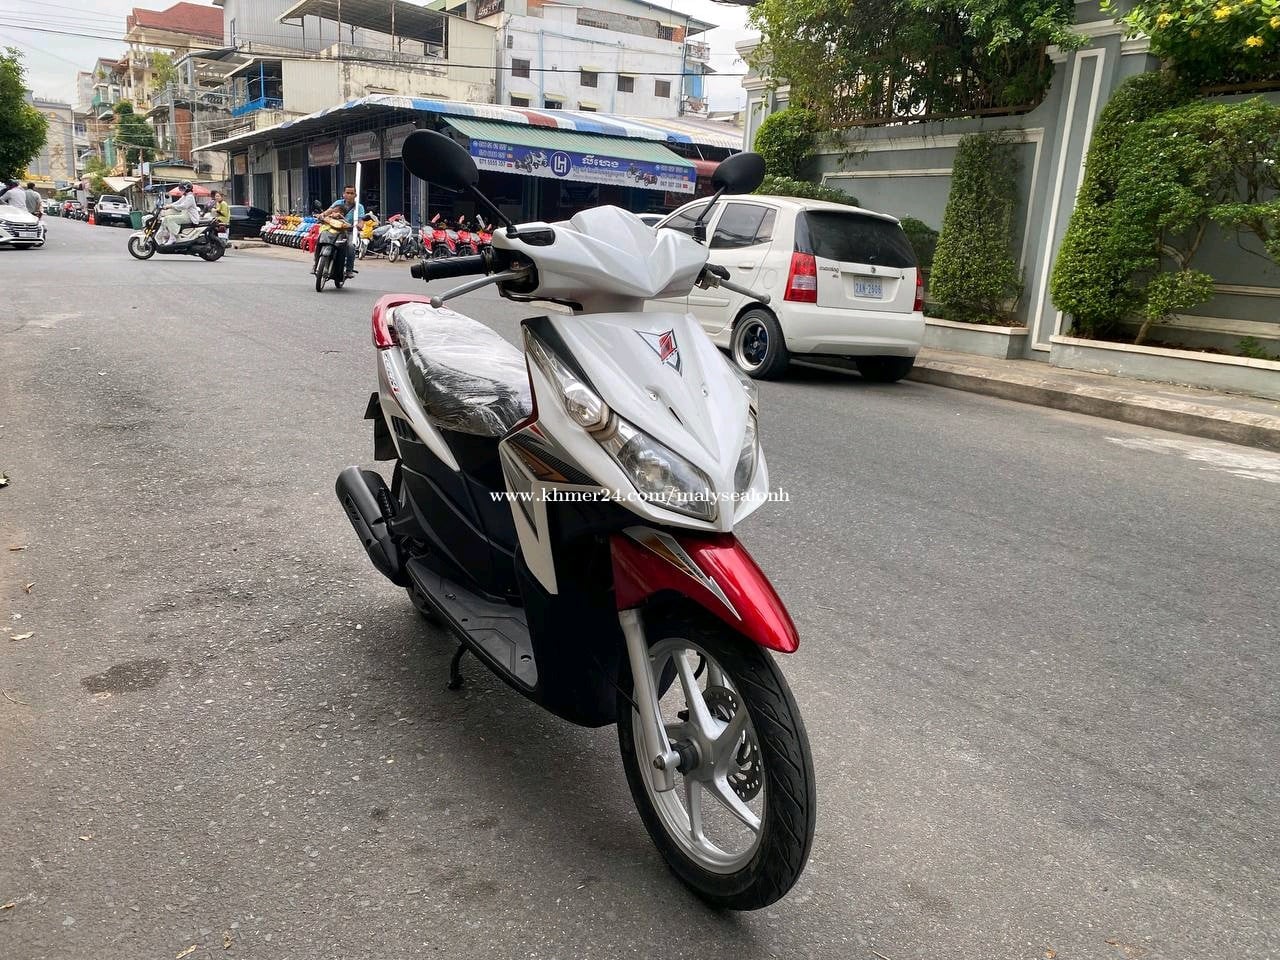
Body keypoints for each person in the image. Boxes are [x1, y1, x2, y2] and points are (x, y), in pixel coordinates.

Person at [311, 184, 361, 278]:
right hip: (333, 228)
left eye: (352, 193)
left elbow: (361, 220)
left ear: (355, 195)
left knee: (351, 246)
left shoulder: (359, 207)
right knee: (320, 240)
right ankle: (316, 264)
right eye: (347, 193)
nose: (349, 195)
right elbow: (328, 211)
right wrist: (322, 215)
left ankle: (349, 270)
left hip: (348, 231)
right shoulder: (338, 203)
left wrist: (359, 225)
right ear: (343, 194)